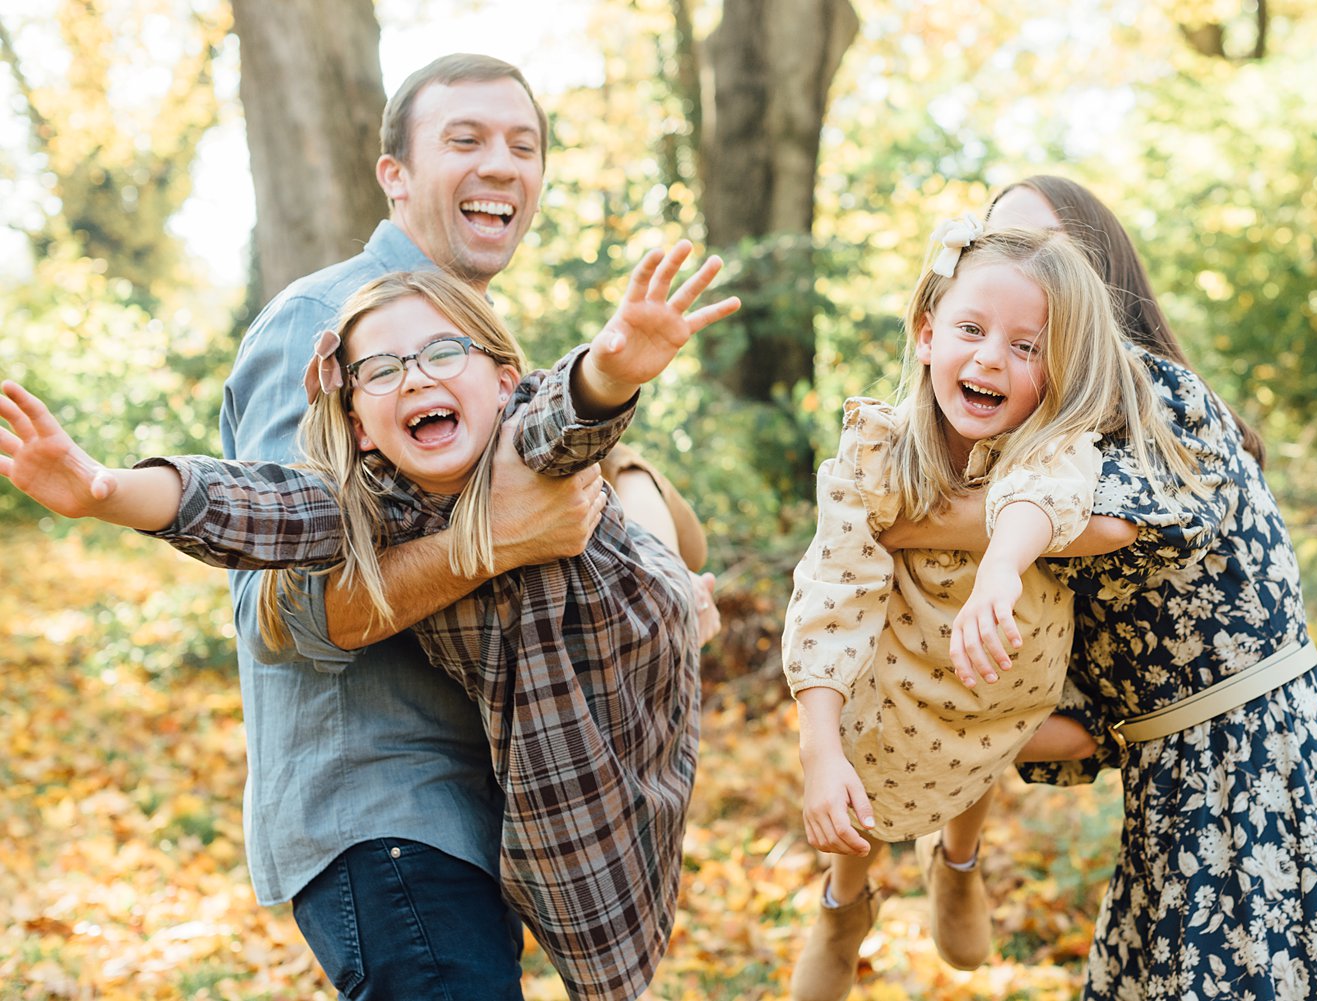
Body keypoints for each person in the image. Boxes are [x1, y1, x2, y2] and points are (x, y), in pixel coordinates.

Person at [0, 245, 739, 999]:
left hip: (648, 662)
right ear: (357, 423)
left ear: (503, 380)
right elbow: (245, 502)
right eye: (383, 369)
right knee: (590, 912)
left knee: (651, 536)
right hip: (571, 734)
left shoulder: (525, 437)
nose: (416, 375)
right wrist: (101, 488)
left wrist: (614, 366)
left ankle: (672, 560)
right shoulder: (370, 503)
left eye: (443, 351)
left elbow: (572, 413)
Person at [206, 53, 723, 1000]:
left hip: (485, 821)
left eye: (523, 145)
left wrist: (628, 491)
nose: (502, 163)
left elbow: (624, 513)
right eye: (466, 140)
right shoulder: (329, 324)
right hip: (386, 814)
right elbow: (284, 613)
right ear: (394, 175)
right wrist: (498, 538)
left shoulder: (474, 347)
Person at [881, 175, 1317, 1000]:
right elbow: (1078, 721)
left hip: (1267, 777)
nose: (1023, 270)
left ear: (1101, 278)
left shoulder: (1153, 391)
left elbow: (1118, 521)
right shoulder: (1030, 450)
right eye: (999, 249)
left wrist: (899, 519)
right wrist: (913, 738)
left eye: (1048, 253)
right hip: (1169, 801)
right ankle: (948, 862)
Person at [781, 221, 1204, 1001]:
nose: (989, 358)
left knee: (1001, 711)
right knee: (857, 762)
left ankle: (958, 861)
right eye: (971, 330)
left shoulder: (1051, 443)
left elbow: (1044, 495)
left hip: (1008, 684)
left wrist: (1002, 567)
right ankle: (845, 902)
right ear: (926, 334)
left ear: (1057, 370)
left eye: (1025, 346)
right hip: (901, 684)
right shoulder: (874, 452)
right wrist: (817, 747)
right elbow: (831, 589)